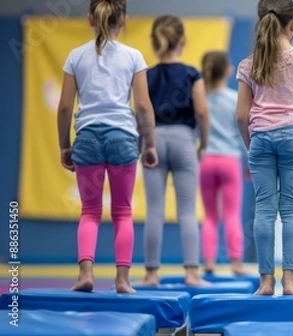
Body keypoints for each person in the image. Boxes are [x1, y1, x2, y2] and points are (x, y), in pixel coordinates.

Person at [56, 0, 157, 293]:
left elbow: (64, 108)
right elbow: (143, 107)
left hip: (86, 138)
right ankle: (122, 279)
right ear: (123, 20)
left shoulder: (75, 56)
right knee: (122, 212)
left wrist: (65, 145)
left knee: (89, 211)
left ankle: (85, 275)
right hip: (122, 138)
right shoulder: (133, 56)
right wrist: (149, 144)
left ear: (90, 18)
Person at [236, 0, 293, 295]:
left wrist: (251, 144)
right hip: (292, 138)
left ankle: (265, 281)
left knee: (263, 210)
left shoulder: (249, 64)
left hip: (260, 138)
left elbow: (241, 115)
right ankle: (290, 280)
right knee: (291, 210)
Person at [141, 15, 210, 287]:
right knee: (187, 210)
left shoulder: (145, 75)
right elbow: (202, 111)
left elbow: (142, 112)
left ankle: (150, 274)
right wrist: (203, 143)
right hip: (183, 138)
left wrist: (145, 141)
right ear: (183, 40)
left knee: (154, 210)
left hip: (154, 138)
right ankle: (192, 273)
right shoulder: (193, 74)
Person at [200, 51, 249, 276]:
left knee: (210, 215)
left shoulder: (200, 100)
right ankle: (236, 263)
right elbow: (243, 131)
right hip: (229, 159)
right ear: (228, 71)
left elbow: (195, 131)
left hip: (207, 160)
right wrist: (250, 160)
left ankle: (209, 262)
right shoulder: (234, 99)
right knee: (232, 214)